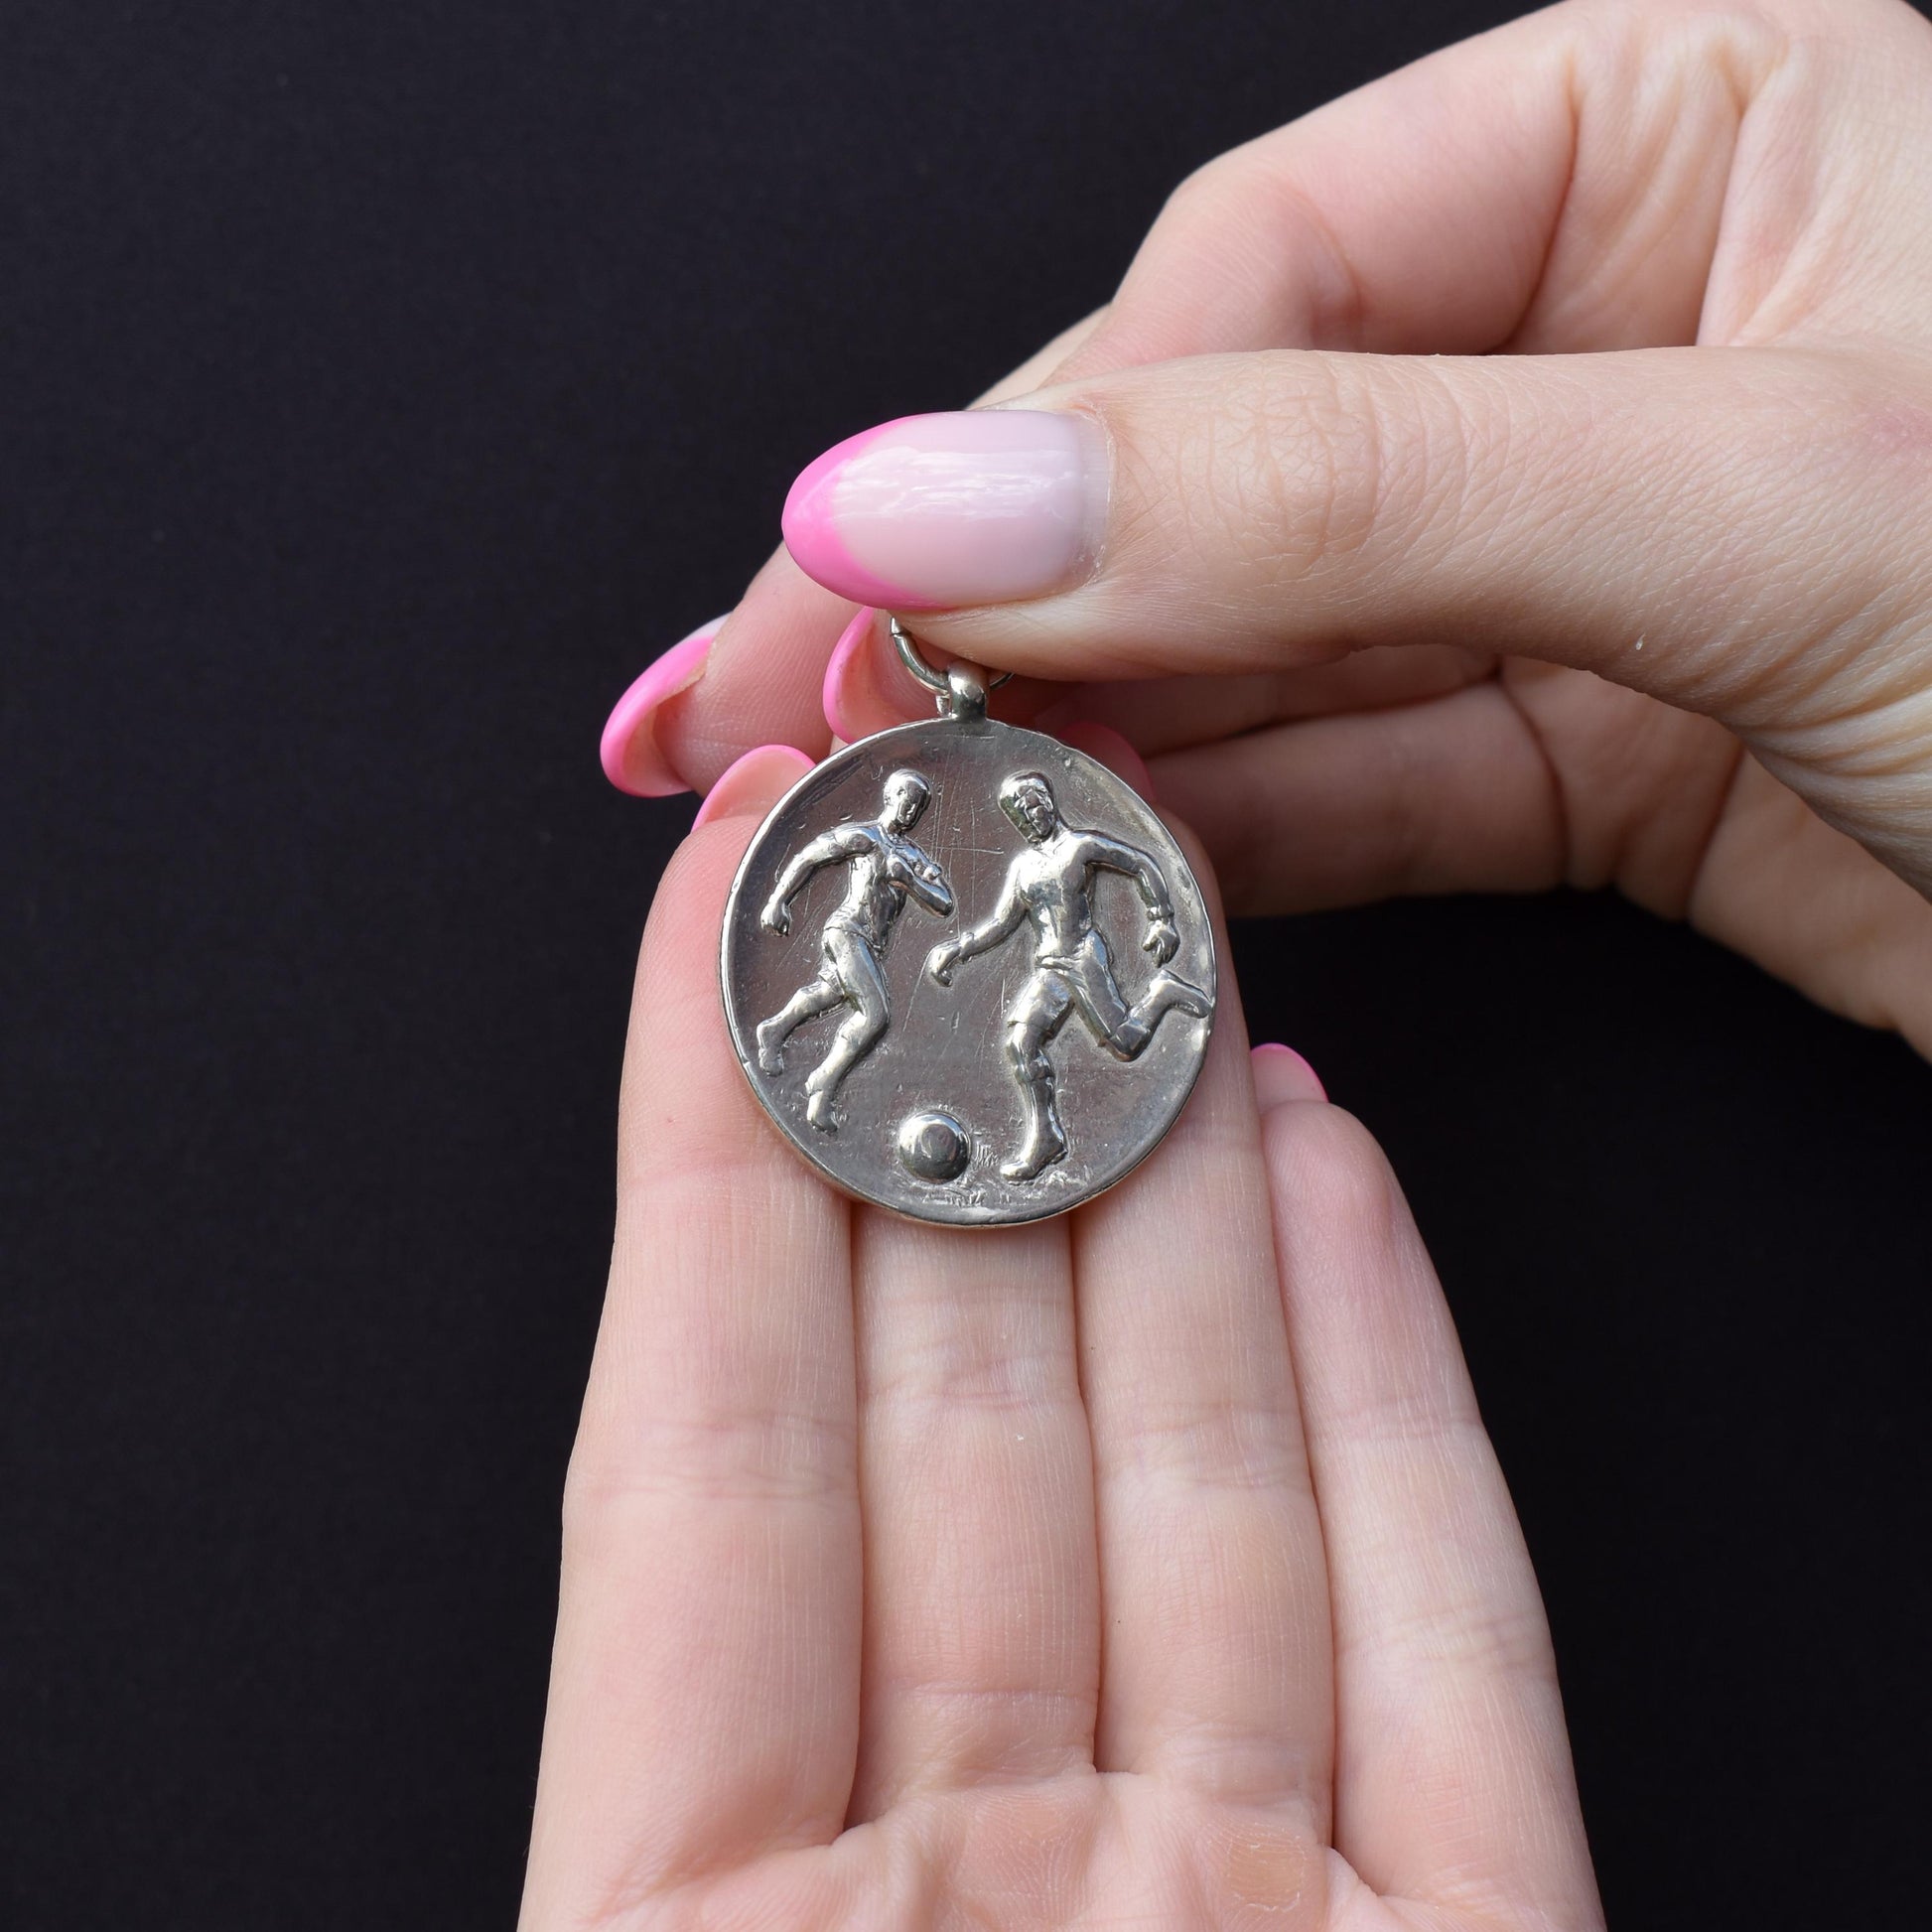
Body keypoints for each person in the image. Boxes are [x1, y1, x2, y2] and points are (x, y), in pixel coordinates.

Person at [529, 1, 1932, 1924]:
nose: (1019, 834)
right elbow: (944, 901)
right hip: (960, 994)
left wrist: (1074, 956)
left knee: (999, 1055)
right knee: (933, 1042)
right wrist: (994, 924)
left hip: (1002, 1000)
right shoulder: (919, 866)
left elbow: (1019, 929)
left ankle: (1008, 1076)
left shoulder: (1007, 880)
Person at [926, 770, 1210, 1179]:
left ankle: (1162, 992)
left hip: (1083, 957)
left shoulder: (1081, 847)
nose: (1026, 817)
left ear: (1047, 801)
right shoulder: (1024, 867)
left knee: (1125, 1044)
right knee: (1020, 1042)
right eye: (1017, 814)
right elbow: (1003, 923)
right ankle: (1046, 1137)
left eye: (1030, 805)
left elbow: (1143, 863)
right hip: (1049, 966)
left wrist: (1161, 918)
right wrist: (959, 948)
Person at [753, 767, 954, 1130]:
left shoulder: (913, 856)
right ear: (890, 798)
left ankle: (774, 1029)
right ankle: (823, 1085)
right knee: (875, 1016)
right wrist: (778, 900)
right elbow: (810, 855)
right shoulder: (866, 838)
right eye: (906, 799)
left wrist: (909, 881)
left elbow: (944, 903)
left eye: (919, 806)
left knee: (827, 995)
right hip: (846, 931)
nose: (911, 810)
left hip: (872, 945)